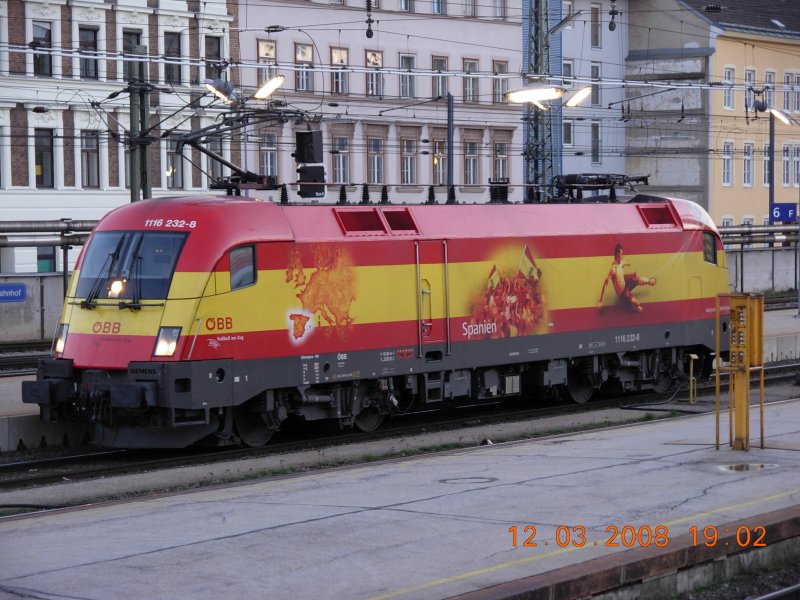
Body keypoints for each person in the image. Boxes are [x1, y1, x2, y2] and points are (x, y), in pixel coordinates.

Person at [597, 243, 656, 313]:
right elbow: (605, 283)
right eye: (621, 254)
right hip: (623, 293)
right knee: (637, 303)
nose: (622, 256)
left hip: (625, 282)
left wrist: (628, 263)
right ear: (617, 254)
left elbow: (623, 263)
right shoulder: (613, 269)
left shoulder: (620, 262)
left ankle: (649, 281)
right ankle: (632, 307)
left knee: (635, 277)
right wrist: (600, 300)